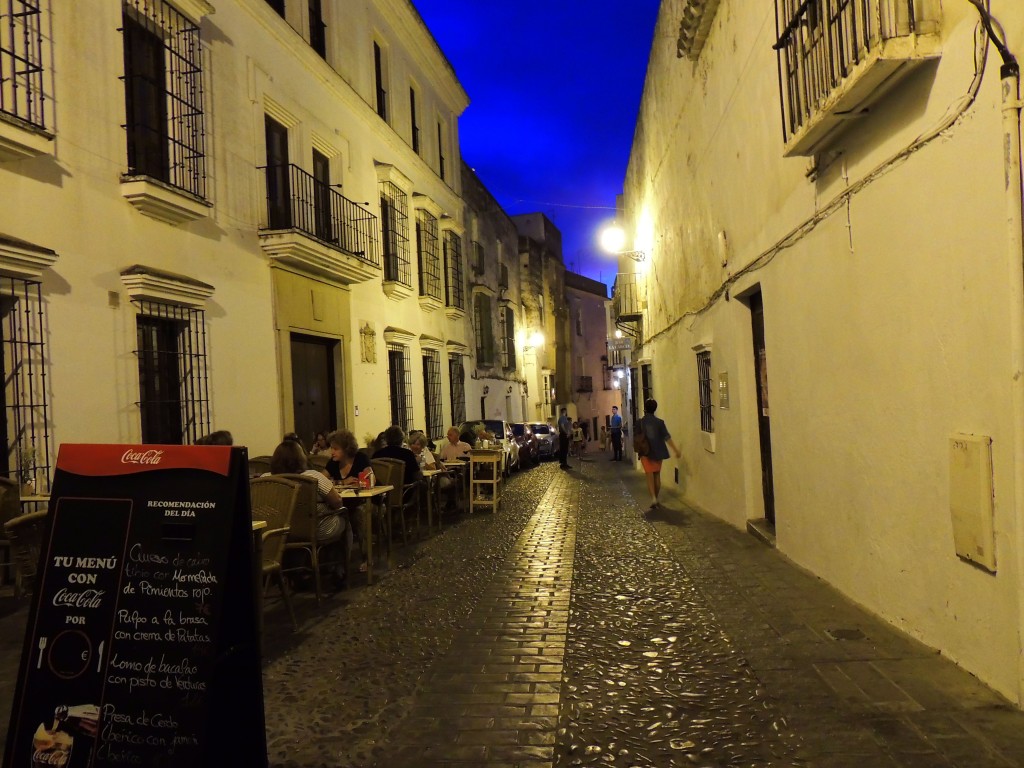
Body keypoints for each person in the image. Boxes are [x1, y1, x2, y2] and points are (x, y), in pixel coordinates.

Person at [268, 438, 350, 582]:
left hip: (282, 532)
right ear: (301, 457)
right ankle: (340, 568)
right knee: (345, 519)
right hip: (317, 528)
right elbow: (337, 502)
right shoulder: (312, 477)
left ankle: (297, 572)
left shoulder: (268, 479)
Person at [637, 398, 681, 509]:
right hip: (659, 451)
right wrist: (675, 450)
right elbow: (667, 437)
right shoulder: (660, 423)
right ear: (655, 409)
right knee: (657, 475)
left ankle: (653, 498)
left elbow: (637, 438)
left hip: (646, 452)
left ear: (645, 408)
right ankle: (656, 498)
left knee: (649, 475)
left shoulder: (640, 422)